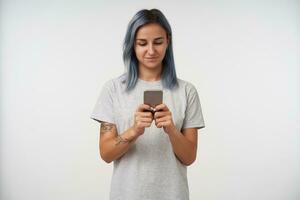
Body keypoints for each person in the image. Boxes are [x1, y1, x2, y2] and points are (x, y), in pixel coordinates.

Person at [91, 8, 205, 200]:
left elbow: (189, 157)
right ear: (132, 45)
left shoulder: (187, 91)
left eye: (158, 42)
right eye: (142, 43)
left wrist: (171, 129)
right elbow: (106, 154)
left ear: (168, 41)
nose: (151, 50)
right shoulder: (113, 89)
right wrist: (134, 130)